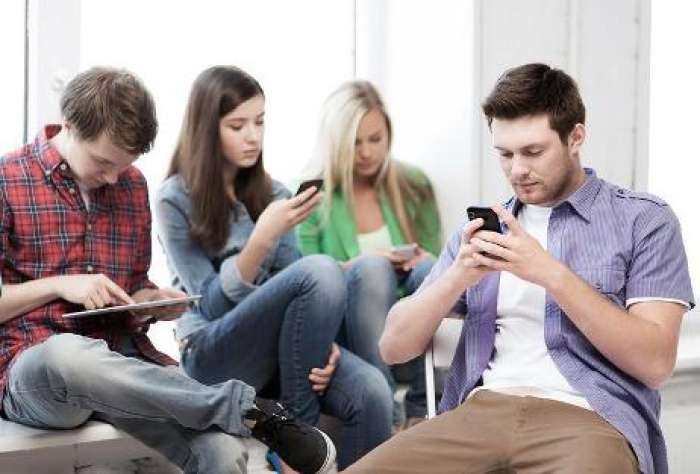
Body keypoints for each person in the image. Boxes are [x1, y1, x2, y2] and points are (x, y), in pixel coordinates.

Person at [346, 63, 694, 474]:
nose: (517, 170)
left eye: (533, 152)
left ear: (575, 137)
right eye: (505, 154)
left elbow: (655, 364)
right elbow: (393, 348)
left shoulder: (644, 220)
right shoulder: (481, 233)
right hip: (479, 414)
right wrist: (458, 275)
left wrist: (549, 273)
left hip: (591, 418)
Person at [0, 67, 336, 474]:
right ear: (69, 125)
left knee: (223, 451)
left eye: (123, 166)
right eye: (103, 162)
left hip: (124, 369)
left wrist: (151, 302)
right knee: (67, 356)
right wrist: (61, 285)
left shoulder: (131, 185)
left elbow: (134, 287)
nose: (113, 178)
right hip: (36, 370)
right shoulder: (8, 179)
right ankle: (249, 410)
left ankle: (248, 416)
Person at [155, 66, 393, 471]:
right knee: (321, 269)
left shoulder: (276, 193)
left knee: (372, 392)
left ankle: (301, 441)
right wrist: (262, 236)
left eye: (260, 121)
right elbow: (210, 305)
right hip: (212, 353)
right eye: (238, 125)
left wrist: (325, 343)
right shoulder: (174, 199)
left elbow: (304, 295)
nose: (253, 136)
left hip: (280, 351)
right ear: (206, 129)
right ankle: (298, 440)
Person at [297, 80, 441, 427]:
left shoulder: (414, 184)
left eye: (375, 139)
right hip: (351, 337)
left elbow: (439, 259)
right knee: (374, 268)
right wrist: (362, 263)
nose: (366, 153)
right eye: (355, 143)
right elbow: (304, 278)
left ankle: (423, 407)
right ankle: (387, 411)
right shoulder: (311, 197)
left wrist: (422, 260)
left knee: (432, 271)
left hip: (408, 334)